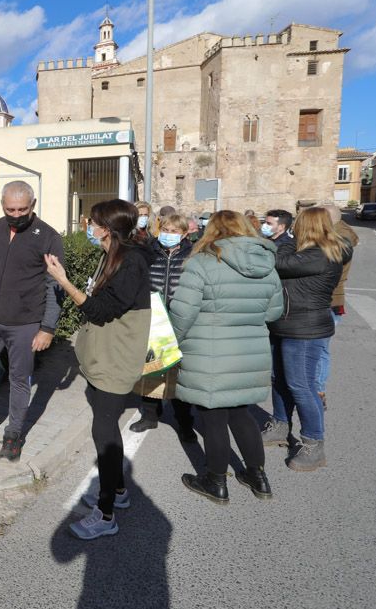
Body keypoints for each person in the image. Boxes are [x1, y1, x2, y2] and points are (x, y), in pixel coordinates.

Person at [44, 199, 151, 540]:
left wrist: (63, 281)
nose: (87, 225)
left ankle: (105, 515)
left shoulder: (131, 262)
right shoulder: (112, 255)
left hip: (115, 361)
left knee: (104, 434)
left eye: (92, 221)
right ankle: (118, 492)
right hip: (101, 358)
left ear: (106, 228)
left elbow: (99, 310)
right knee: (104, 428)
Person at [168, 211, 284, 503]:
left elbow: (183, 312)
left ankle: (216, 481)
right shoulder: (266, 264)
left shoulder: (202, 262)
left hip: (210, 352)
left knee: (213, 418)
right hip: (249, 351)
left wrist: (172, 343)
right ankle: (258, 477)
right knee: (241, 413)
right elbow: (273, 312)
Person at [0, 181, 64, 462]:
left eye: (23, 209)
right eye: (11, 209)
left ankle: (13, 434)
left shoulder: (48, 237)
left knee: (19, 379)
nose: (17, 214)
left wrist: (47, 328)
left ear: (33, 205)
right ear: (2, 205)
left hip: (25, 324)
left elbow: (54, 285)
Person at [262, 207, 352, 471]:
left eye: (297, 225)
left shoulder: (321, 254)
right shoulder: (310, 251)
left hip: (305, 329)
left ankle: (313, 443)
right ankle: (280, 425)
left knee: (301, 386)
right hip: (285, 323)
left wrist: (287, 240)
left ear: (306, 227)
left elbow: (279, 262)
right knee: (278, 379)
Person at [130, 213, 196, 442]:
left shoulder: (193, 255)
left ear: (184, 234)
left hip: (180, 319)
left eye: (174, 231)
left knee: (178, 372)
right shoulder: (149, 251)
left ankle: (185, 422)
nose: (168, 234)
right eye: (165, 229)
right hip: (154, 318)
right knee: (151, 368)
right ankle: (149, 415)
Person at [316, 204, 358, 409]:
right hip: (331, 299)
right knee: (319, 347)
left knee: (321, 348)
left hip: (329, 299)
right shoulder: (340, 234)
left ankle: (318, 389)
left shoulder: (339, 239)